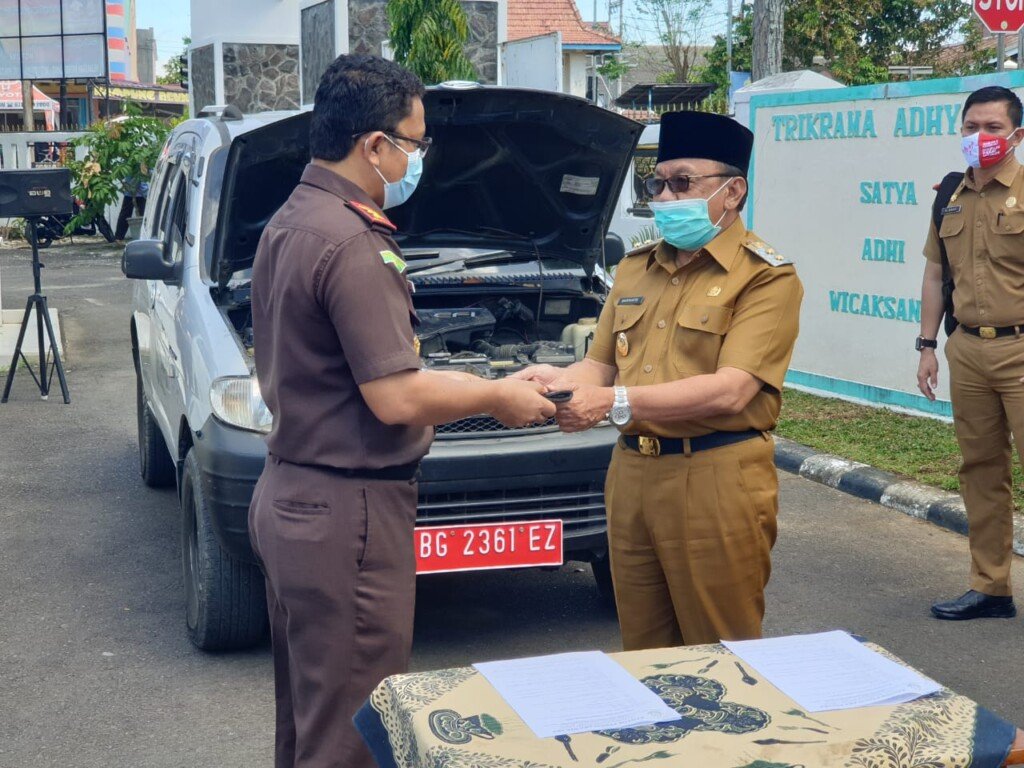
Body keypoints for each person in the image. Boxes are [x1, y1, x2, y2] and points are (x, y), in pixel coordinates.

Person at [248, 54, 555, 768]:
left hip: (293, 494)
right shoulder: (354, 242)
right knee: (356, 734)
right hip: (347, 515)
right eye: (414, 144)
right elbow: (397, 396)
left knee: (308, 721)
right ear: (374, 146)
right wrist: (497, 395)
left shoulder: (292, 220)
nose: (419, 158)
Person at [514, 111, 803, 649]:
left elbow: (731, 390)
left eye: (683, 182)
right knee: (644, 655)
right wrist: (554, 381)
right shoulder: (635, 267)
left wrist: (610, 402)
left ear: (733, 191)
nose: (666, 197)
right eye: (658, 182)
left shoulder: (767, 277)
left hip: (716, 477)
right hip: (633, 479)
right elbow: (599, 364)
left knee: (722, 657)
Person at [918, 85, 1024, 622]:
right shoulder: (948, 196)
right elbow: (937, 272)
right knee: (980, 470)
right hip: (969, 352)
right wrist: (927, 346)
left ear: (1017, 135)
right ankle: (991, 587)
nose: (980, 138)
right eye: (971, 128)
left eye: (993, 128)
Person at [114, 174, 147, 241]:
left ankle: (118, 237)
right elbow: (143, 180)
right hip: (138, 193)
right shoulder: (140, 165)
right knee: (143, 216)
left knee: (125, 214)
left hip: (131, 192)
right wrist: (146, 193)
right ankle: (119, 237)